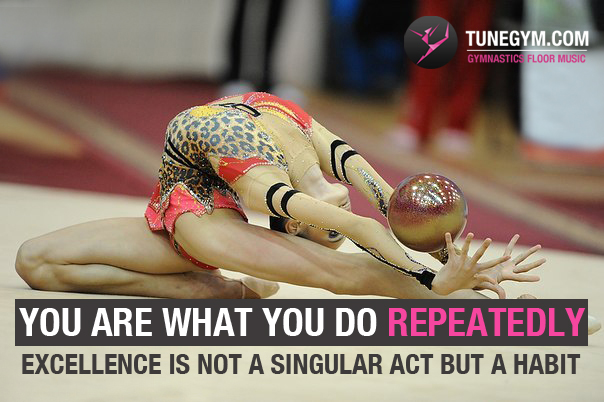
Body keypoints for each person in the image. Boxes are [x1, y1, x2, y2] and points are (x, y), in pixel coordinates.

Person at [15, 92, 544, 301]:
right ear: (295, 224)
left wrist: (449, 260)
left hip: (204, 227)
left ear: (293, 226)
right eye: (328, 233)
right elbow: (364, 226)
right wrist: (435, 277)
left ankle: (216, 289)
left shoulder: (276, 168)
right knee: (34, 261)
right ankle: (208, 291)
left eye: (326, 232)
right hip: (176, 217)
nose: (336, 226)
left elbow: (388, 205)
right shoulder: (280, 147)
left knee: (340, 273)